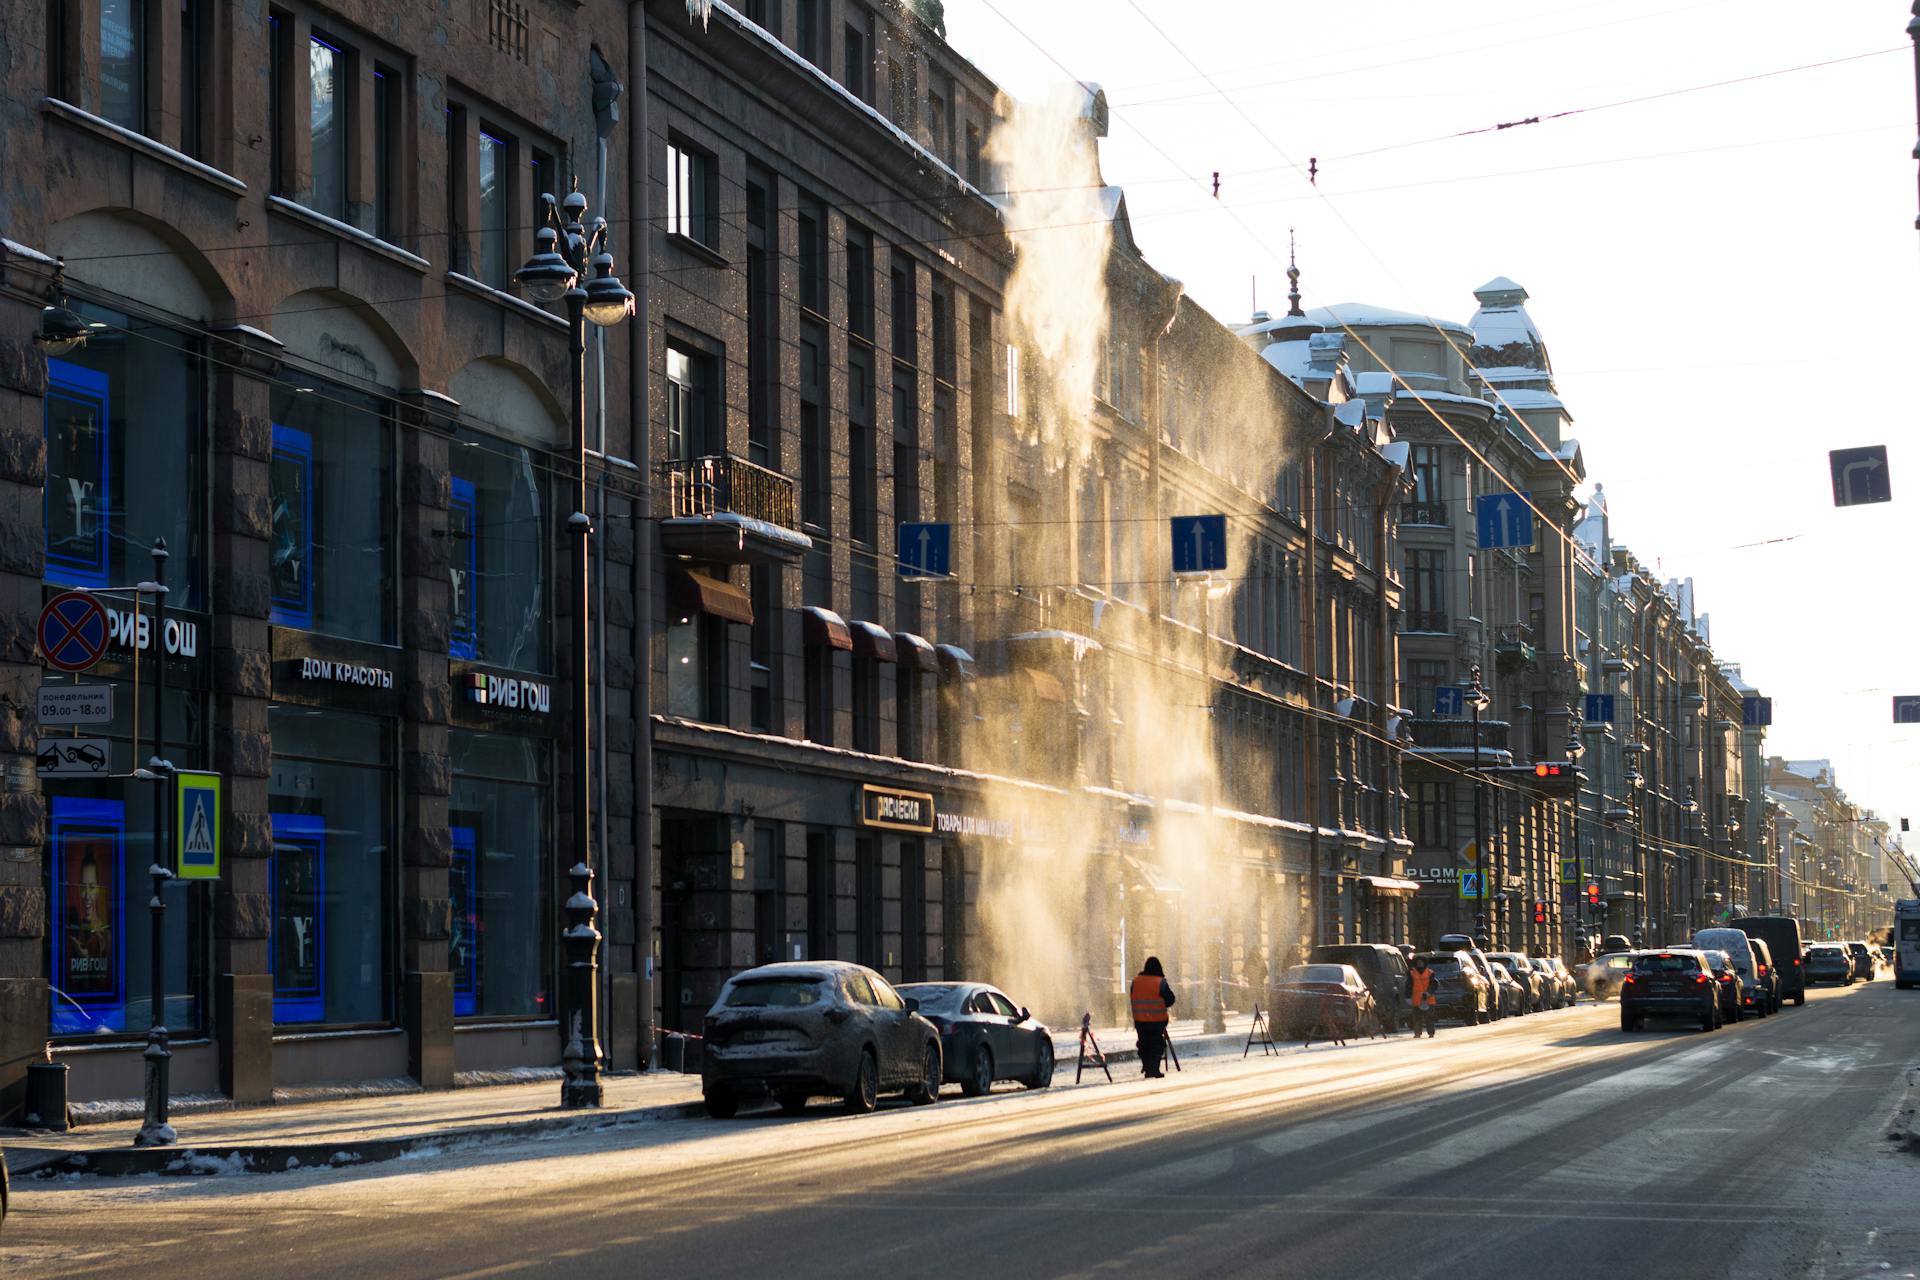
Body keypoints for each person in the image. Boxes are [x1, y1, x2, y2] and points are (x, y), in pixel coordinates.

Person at [1130, 956, 1176, 1078]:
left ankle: (1147, 1065)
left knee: (1144, 1044)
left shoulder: (1136, 981)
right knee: (1156, 1045)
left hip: (1140, 1020)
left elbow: (1133, 997)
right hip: (1157, 1020)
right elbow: (1170, 1000)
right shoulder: (1160, 982)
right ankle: (1153, 1069)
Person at [1407, 954, 1439, 1038]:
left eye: (1421, 962)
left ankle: (1431, 1033)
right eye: (1418, 962)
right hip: (1416, 999)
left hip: (1429, 999)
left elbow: (1434, 984)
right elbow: (1408, 985)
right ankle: (1417, 1033)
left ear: (1425, 963)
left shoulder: (1430, 973)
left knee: (1430, 1018)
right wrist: (1407, 997)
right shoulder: (1411, 973)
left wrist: (1429, 992)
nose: (1420, 964)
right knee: (1417, 1018)